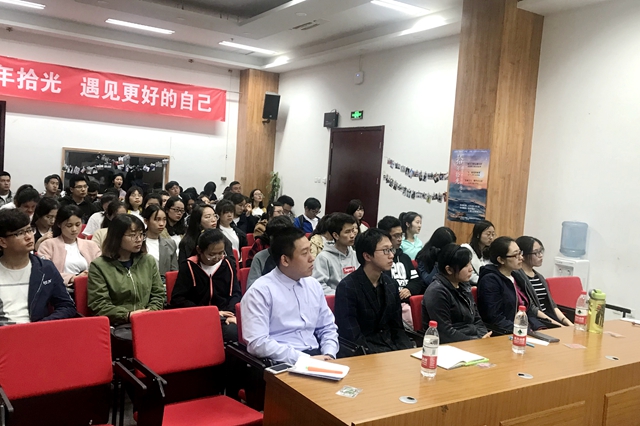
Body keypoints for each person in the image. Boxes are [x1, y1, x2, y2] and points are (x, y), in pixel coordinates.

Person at [241, 227, 339, 364]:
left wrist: (329, 353)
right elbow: (258, 343)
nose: (312, 258)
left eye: (310, 250)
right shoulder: (260, 292)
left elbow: (327, 327)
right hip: (282, 362)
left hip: (319, 356)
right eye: (304, 253)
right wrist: (305, 360)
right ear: (285, 260)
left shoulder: (313, 285)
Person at [334, 228, 413, 354]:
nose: (391, 255)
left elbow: (397, 328)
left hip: (391, 349)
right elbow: (352, 336)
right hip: (364, 353)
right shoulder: (347, 287)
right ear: (367, 256)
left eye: (391, 249)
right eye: (385, 250)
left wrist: (407, 353)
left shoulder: (391, 284)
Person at [0, 209, 76, 325]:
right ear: (2, 242)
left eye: (29, 230)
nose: (28, 237)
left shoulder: (45, 268)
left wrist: (42, 325)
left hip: (37, 330)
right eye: (19, 233)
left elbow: (66, 306)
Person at [87, 214, 164, 325]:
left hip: (149, 319)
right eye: (133, 235)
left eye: (141, 234)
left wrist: (150, 312)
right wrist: (128, 315)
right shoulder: (99, 266)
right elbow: (99, 304)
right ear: (117, 237)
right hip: (119, 324)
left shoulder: (148, 261)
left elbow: (158, 294)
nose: (139, 239)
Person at [170, 229, 241, 342]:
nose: (217, 258)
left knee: (234, 332)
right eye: (211, 255)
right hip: (197, 315)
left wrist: (231, 314)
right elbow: (177, 299)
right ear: (199, 250)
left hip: (225, 315)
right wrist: (211, 313)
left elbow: (235, 293)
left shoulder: (227, 264)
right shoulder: (189, 266)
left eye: (221, 253)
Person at [422, 244, 491, 343]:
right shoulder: (437, 292)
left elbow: (477, 319)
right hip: (452, 344)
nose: (471, 269)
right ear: (449, 269)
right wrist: (475, 341)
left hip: (473, 340)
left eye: (470, 264)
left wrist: (483, 337)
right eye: (465, 265)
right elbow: (445, 332)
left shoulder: (464, 286)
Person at [476, 236, 544, 333]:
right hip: (506, 332)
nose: (521, 258)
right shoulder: (490, 281)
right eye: (516, 255)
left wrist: (540, 328)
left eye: (520, 253)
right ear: (501, 260)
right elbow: (495, 318)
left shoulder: (516, 276)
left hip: (524, 329)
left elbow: (527, 310)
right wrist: (523, 331)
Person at [38, 205, 102, 287]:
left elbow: (101, 268)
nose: (74, 229)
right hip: (60, 288)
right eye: (69, 225)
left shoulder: (91, 245)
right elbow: (45, 272)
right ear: (59, 224)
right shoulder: (48, 245)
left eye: (78, 224)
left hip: (88, 288)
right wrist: (72, 278)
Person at [515, 236, 573, 327]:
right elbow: (532, 308)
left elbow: (552, 305)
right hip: (535, 321)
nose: (541, 255)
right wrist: (558, 325)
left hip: (549, 318)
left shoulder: (539, 277)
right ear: (523, 255)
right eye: (536, 253)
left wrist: (567, 322)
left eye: (541, 251)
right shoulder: (518, 276)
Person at [377, 215, 423, 301]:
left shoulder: (405, 258)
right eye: (396, 236)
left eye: (401, 235)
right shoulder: (379, 259)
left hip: (406, 301)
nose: (400, 239)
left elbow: (417, 281)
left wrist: (409, 289)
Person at [312, 213, 359, 295]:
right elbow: (318, 285)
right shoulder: (324, 257)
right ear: (336, 235)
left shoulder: (355, 255)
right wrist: (341, 295)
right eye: (347, 232)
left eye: (353, 231)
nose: (352, 235)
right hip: (335, 299)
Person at [247, 216, 294, 289]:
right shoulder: (260, 258)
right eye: (276, 237)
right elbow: (252, 288)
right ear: (269, 238)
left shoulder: (296, 256)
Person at [141, 205, 178, 279]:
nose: (161, 224)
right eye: (157, 220)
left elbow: (174, 272)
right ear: (146, 221)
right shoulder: (138, 242)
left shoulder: (170, 244)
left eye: (164, 220)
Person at [461, 220, 495, 284]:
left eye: (493, 234)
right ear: (478, 235)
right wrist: (487, 282)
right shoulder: (467, 249)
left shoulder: (489, 252)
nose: (491, 237)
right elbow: (468, 274)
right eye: (488, 234)